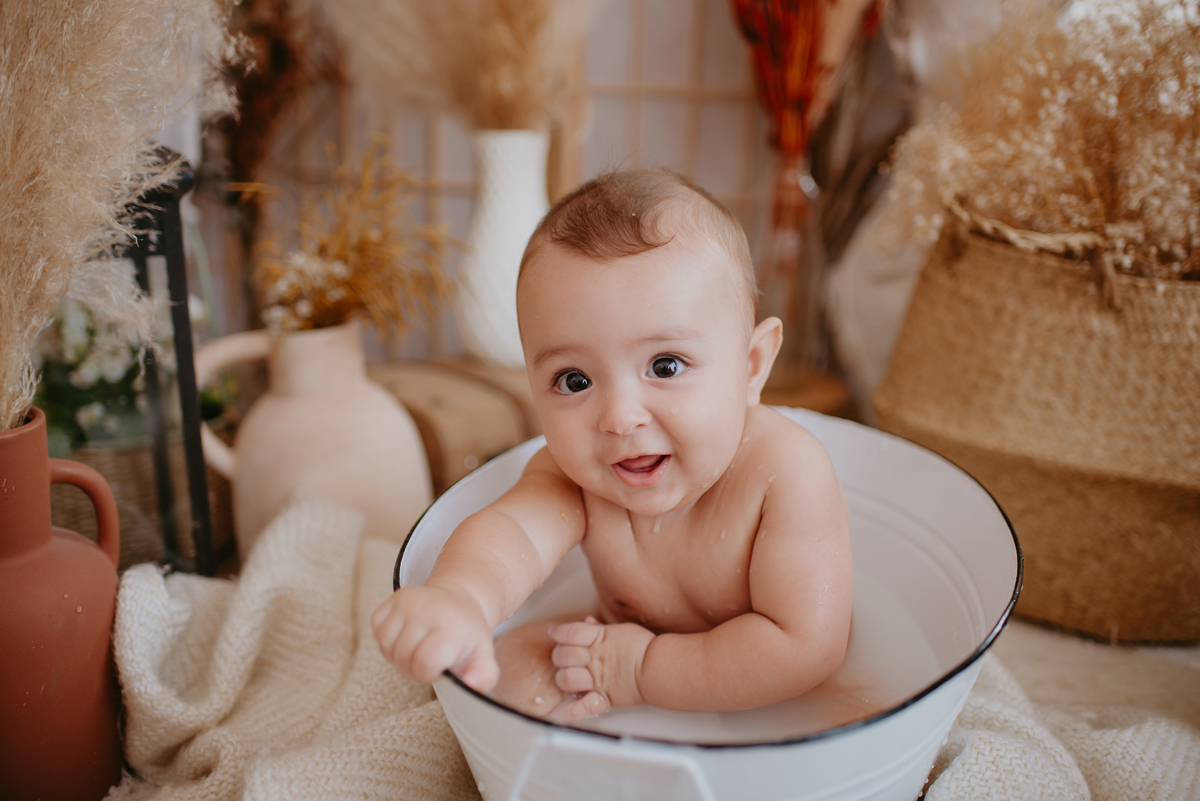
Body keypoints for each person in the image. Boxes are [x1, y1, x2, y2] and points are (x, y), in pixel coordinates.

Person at [372, 168, 853, 721]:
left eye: (665, 366)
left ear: (750, 367)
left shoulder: (785, 473)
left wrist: (643, 669)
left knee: (843, 710)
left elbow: (807, 646)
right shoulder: (572, 474)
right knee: (501, 674)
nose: (620, 417)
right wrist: (461, 598)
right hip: (611, 654)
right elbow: (511, 536)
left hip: (764, 690)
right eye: (575, 380)